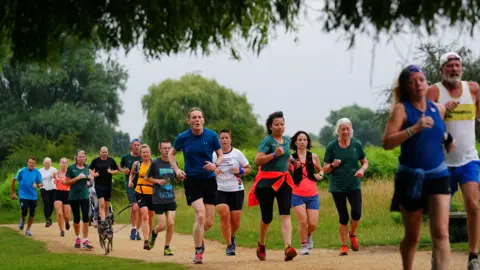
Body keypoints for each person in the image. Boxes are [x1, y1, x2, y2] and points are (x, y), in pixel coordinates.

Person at [383, 64, 454, 270]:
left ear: (426, 82)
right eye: (412, 82)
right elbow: (387, 142)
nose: (418, 85)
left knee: (441, 232)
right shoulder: (402, 109)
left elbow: (438, 133)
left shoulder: (437, 108)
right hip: (411, 178)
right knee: (413, 236)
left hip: (438, 175)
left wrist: (448, 139)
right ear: (406, 87)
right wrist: (414, 128)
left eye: (421, 80)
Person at [426, 52, 480, 268]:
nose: (454, 69)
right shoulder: (434, 91)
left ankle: (473, 256)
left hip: (468, 159)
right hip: (441, 162)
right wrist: (440, 111)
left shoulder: (473, 89)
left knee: (474, 204)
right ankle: (437, 252)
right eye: (450, 66)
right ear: (442, 70)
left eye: (457, 65)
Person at [168, 107, 223, 264]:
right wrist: (177, 169)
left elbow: (220, 156)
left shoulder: (212, 136)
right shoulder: (183, 137)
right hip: (192, 179)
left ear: (203, 120)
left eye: (200, 117)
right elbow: (171, 154)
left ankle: (199, 237)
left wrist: (215, 165)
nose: (197, 120)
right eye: (194, 117)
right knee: (200, 214)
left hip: (209, 179)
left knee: (209, 221)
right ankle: (198, 251)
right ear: (189, 121)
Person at [247, 111, 297, 262]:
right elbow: (257, 160)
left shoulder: (287, 140)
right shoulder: (267, 141)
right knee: (267, 218)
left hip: (283, 181)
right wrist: (274, 155)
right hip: (266, 183)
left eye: (282, 124)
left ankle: (288, 248)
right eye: (276, 124)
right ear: (270, 126)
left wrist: (293, 162)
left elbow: (287, 155)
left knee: (285, 214)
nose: (280, 127)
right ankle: (261, 244)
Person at [323, 118, 368, 256]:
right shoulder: (332, 146)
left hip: (354, 185)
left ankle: (352, 234)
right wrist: (332, 165)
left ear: (351, 130)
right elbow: (325, 169)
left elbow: (365, 162)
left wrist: (362, 170)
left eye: (348, 128)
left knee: (356, 214)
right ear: (338, 130)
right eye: (343, 129)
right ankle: (343, 245)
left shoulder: (356, 144)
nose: (346, 131)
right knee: (343, 217)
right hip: (337, 187)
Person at [213, 129, 252, 256]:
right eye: (221, 138)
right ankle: (229, 245)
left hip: (236, 189)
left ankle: (232, 235)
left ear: (230, 139)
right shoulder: (213, 155)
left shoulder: (237, 153)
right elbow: (206, 170)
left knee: (235, 222)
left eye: (226, 137)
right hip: (219, 189)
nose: (224, 140)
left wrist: (240, 171)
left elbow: (248, 169)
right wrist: (213, 172)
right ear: (218, 140)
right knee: (224, 214)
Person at [289, 131, 324, 255]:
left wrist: (320, 175)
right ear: (295, 142)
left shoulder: (313, 156)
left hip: (312, 195)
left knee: (313, 224)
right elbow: (284, 172)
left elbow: (321, 170)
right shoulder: (291, 158)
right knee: (303, 221)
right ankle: (303, 245)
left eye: (304, 140)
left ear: (308, 142)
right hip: (296, 194)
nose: (302, 142)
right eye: (300, 140)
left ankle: (309, 236)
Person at [147, 139, 178, 256]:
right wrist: (157, 181)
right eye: (164, 148)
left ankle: (167, 247)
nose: (167, 150)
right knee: (162, 225)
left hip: (170, 198)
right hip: (158, 198)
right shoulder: (155, 163)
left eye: (169, 148)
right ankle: (154, 234)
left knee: (171, 223)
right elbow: (147, 178)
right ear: (160, 149)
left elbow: (176, 176)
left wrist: (180, 176)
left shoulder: (173, 162)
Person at [66, 150, 94, 249]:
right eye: (80, 157)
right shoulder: (71, 168)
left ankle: (85, 240)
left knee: (86, 217)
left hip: (85, 196)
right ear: (76, 157)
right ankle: (78, 237)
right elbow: (67, 182)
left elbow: (90, 181)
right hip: (73, 196)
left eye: (83, 157)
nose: (82, 158)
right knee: (77, 218)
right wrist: (77, 178)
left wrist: (89, 182)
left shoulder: (87, 167)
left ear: (85, 158)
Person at [129, 144, 154, 250]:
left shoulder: (154, 164)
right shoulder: (137, 164)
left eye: (147, 152)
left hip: (153, 192)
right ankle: (146, 240)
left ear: (150, 153)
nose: (145, 154)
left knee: (151, 216)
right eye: (143, 152)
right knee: (144, 216)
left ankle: (151, 235)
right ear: (140, 154)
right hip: (140, 191)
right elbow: (132, 174)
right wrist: (130, 181)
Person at [10, 157, 43, 236]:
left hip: (33, 196)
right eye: (30, 162)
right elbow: (13, 179)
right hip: (23, 195)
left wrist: (37, 185)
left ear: (35, 164)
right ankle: (22, 219)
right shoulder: (21, 171)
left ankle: (28, 230)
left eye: (33, 163)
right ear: (27, 163)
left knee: (32, 214)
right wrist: (12, 193)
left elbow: (41, 183)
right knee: (24, 210)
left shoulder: (37, 172)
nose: (31, 164)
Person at [89, 146, 119, 230]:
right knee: (101, 204)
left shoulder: (111, 160)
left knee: (106, 205)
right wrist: (94, 174)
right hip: (99, 185)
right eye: (103, 152)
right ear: (100, 152)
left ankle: (106, 220)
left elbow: (116, 170)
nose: (104, 154)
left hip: (108, 185)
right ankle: (102, 222)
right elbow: (90, 169)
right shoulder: (96, 161)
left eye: (106, 152)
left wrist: (111, 172)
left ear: (107, 152)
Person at [120, 138, 143, 240]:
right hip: (130, 184)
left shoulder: (144, 157)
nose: (137, 147)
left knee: (141, 209)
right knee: (134, 207)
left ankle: (137, 230)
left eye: (138, 145)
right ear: (131, 146)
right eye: (135, 145)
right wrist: (123, 170)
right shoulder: (126, 157)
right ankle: (133, 229)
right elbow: (119, 167)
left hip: (142, 185)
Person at [53, 157, 71, 237]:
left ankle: (67, 222)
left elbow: (68, 183)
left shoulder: (70, 173)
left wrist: (59, 180)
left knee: (67, 215)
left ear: (67, 164)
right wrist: (54, 180)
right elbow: (52, 180)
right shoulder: (56, 173)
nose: (64, 164)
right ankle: (61, 230)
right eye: (62, 162)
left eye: (65, 163)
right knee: (59, 213)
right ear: (60, 163)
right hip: (58, 192)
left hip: (67, 193)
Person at [39, 157, 58, 228]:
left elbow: (57, 178)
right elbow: (38, 179)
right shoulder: (40, 170)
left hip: (53, 188)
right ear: (43, 163)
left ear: (51, 163)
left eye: (48, 163)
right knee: (46, 203)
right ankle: (47, 219)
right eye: (46, 163)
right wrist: (38, 184)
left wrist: (54, 176)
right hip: (44, 188)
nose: (47, 164)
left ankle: (48, 217)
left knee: (52, 204)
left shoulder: (54, 169)